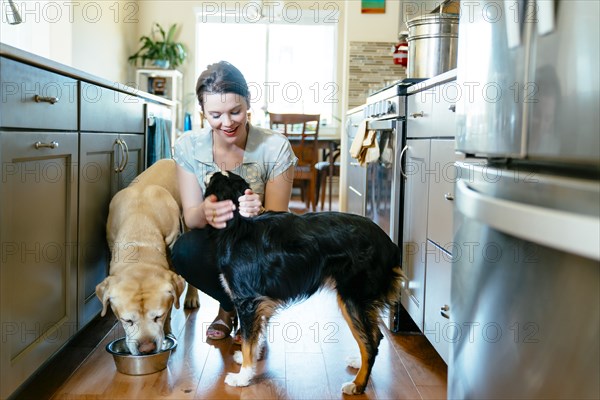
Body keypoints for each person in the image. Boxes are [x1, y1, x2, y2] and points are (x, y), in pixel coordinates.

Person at [171, 61, 297, 341]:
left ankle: (252, 310)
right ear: (202, 112)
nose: (227, 123)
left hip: (260, 247)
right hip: (215, 245)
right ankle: (230, 306)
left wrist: (262, 212)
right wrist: (205, 211)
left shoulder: (275, 147)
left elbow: (281, 226)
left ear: (249, 103)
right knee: (184, 250)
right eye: (215, 114)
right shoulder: (188, 146)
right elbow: (191, 218)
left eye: (235, 112)